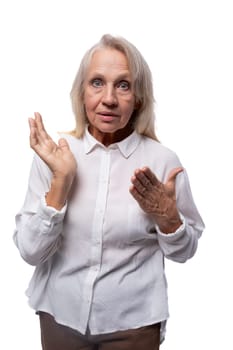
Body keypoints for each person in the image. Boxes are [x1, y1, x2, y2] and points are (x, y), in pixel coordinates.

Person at [13, 34, 205, 350]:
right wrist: (61, 181)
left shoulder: (162, 162)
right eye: (97, 83)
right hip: (59, 318)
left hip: (134, 326)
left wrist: (170, 220)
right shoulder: (55, 155)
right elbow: (30, 251)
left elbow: (184, 252)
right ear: (82, 93)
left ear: (139, 97)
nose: (109, 99)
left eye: (123, 85)